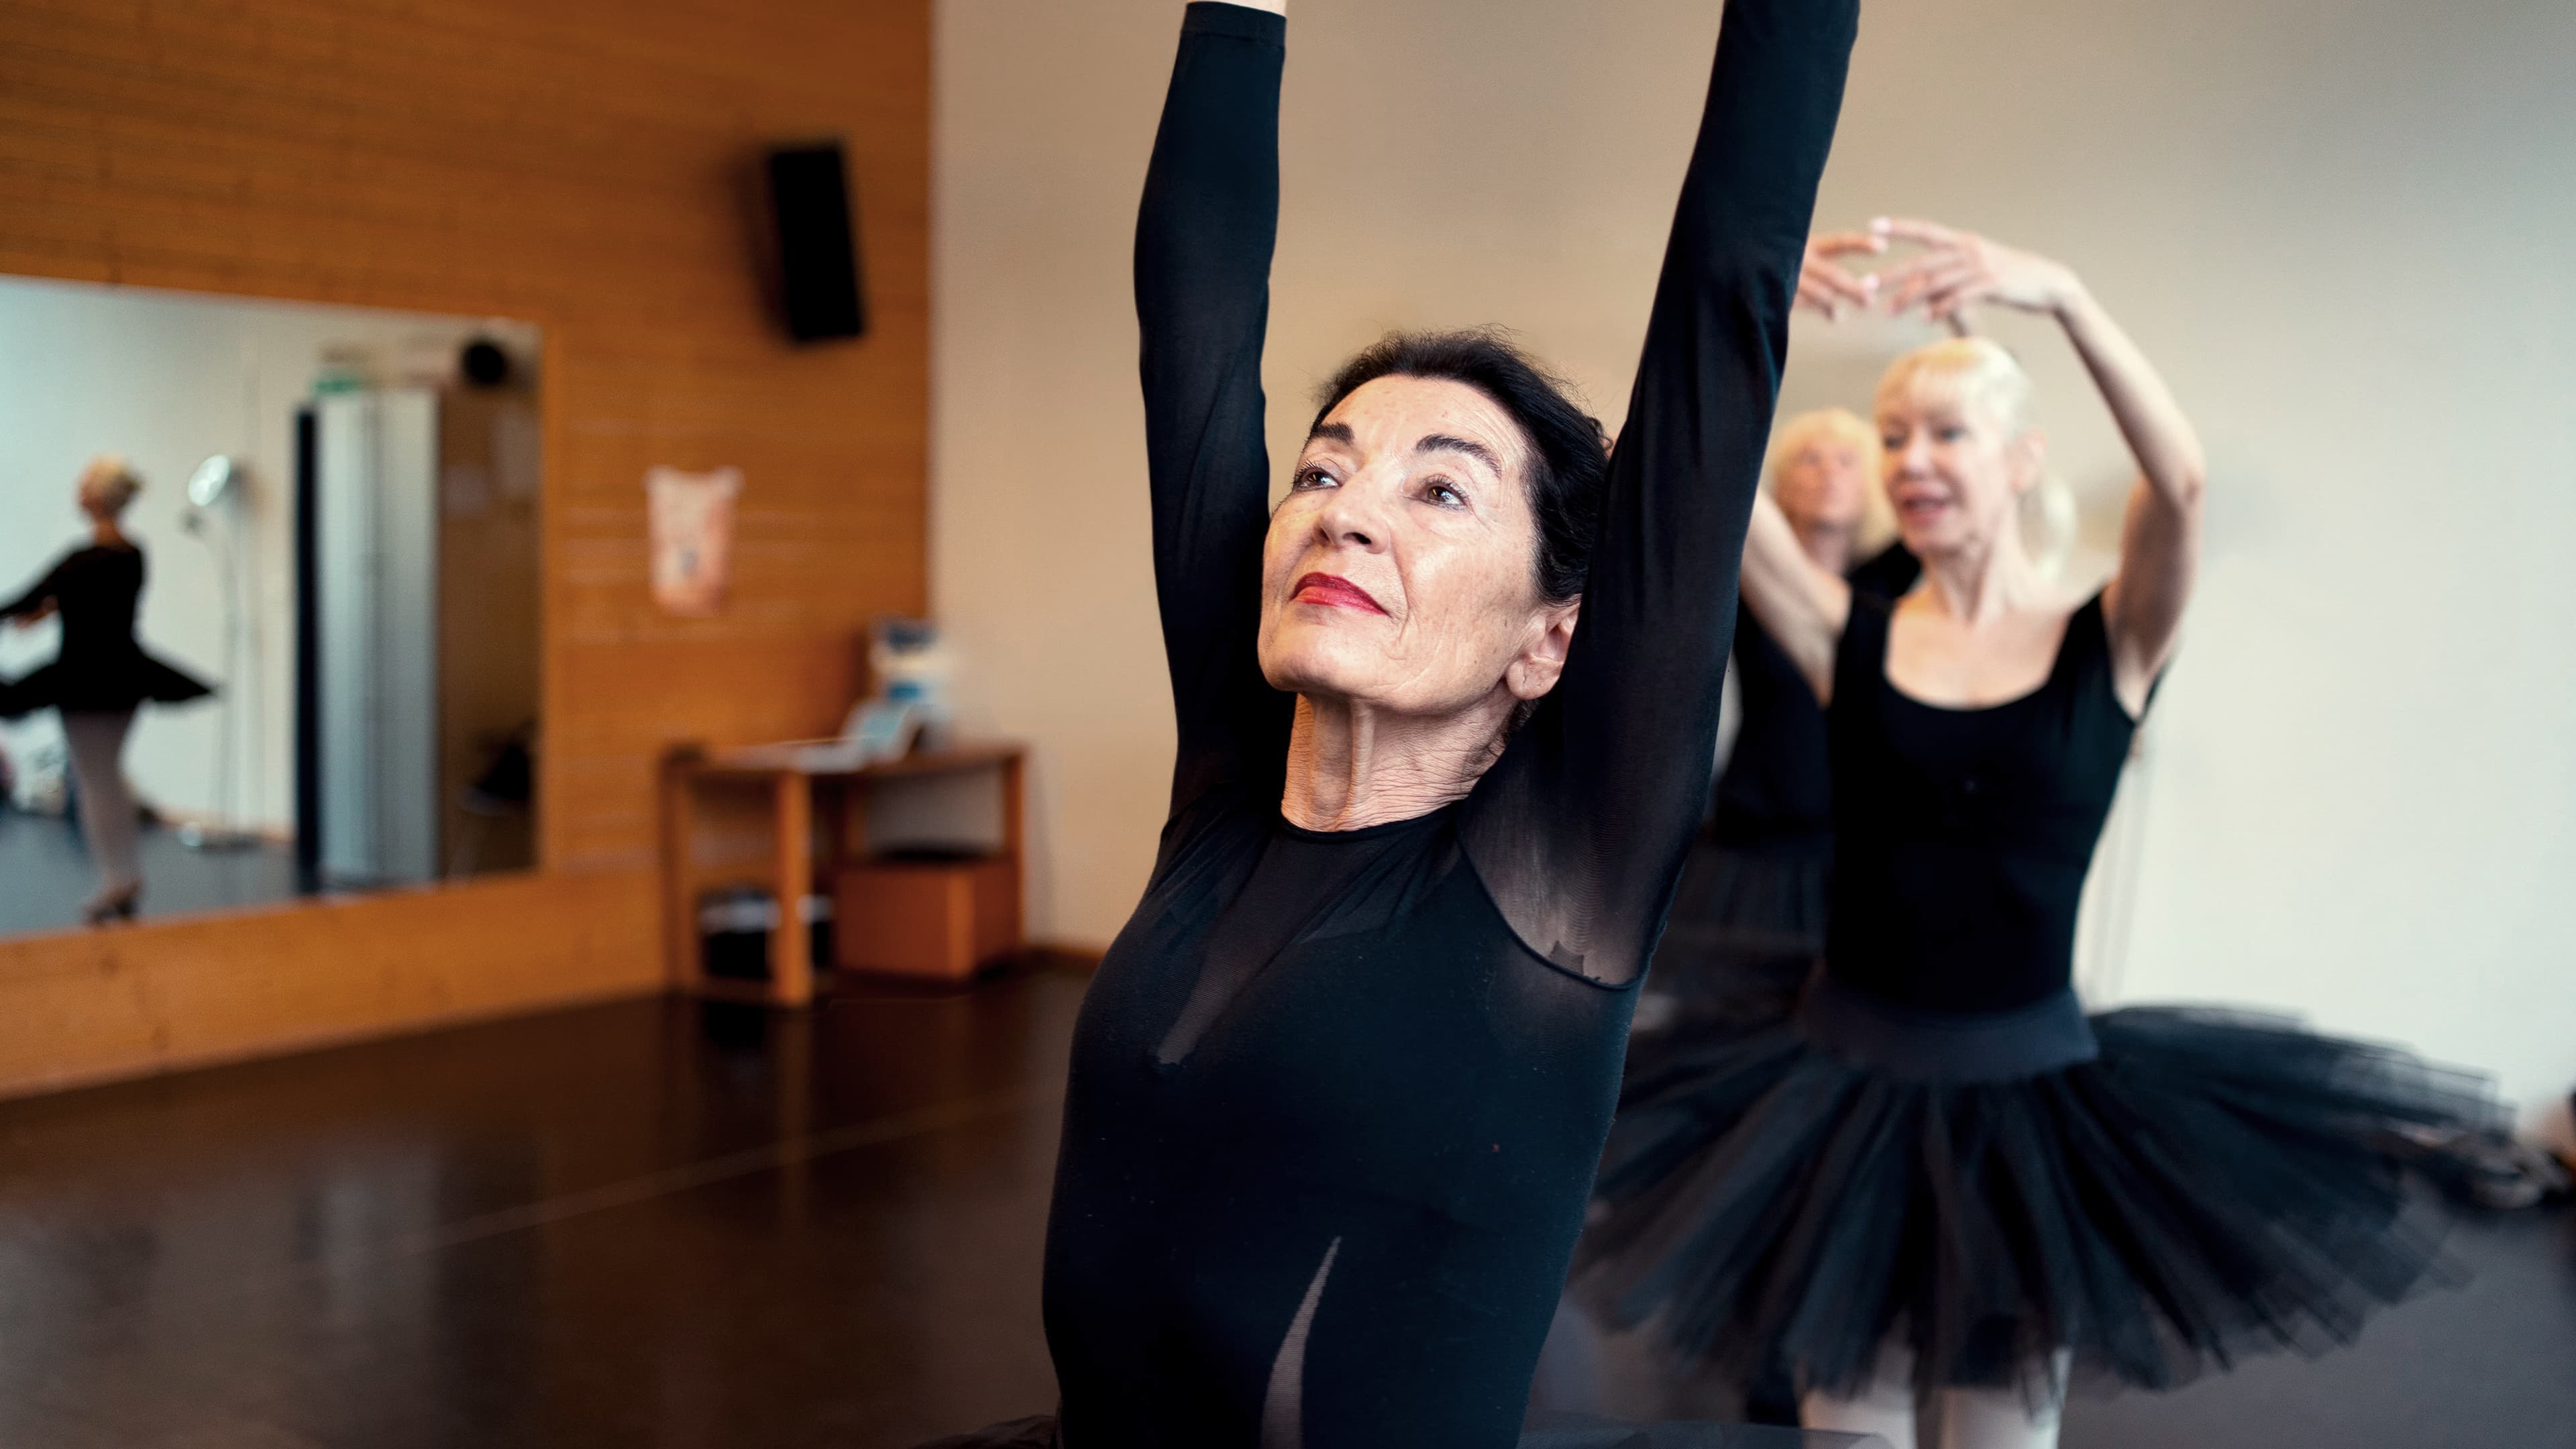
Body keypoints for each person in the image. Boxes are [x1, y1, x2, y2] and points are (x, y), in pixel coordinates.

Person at [923, 0, 1859, 1444]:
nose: (1344, 510)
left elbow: (1727, 304)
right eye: (1324, 469)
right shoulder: (1232, 784)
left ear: (1553, 639)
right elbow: (1196, 326)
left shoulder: (1564, 884)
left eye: (1439, 490)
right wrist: (1240, 18)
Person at [1573, 219, 2502, 1449]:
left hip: (2027, 1113)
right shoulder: (1844, 634)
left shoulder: (2107, 640)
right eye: (1895, 436)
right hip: (1837, 1092)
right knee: (1843, 1426)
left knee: (1999, 1432)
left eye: (1946, 432)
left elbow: (2182, 488)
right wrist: (1734, 305)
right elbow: (1701, 465)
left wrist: (2063, 297)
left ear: (2022, 460)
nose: (1911, 461)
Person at [0, 455, 213, 924]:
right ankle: (124, 875)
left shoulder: (83, 560)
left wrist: (40, 609)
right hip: (124, 674)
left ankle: (116, 879)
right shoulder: (131, 555)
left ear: (97, 497)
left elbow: (30, 597)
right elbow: (89, 602)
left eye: (83, 485)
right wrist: (53, 609)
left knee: (94, 780)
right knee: (107, 776)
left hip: (85, 678)